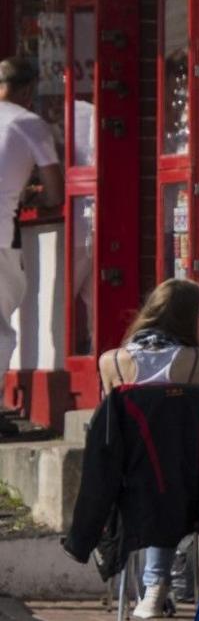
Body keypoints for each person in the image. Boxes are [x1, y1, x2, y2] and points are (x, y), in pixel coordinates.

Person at [98, 279, 199, 618]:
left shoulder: (111, 361)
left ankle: (147, 589)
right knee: (168, 476)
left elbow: (106, 425)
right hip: (179, 481)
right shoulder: (195, 360)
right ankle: (156, 584)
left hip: (122, 481)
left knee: (151, 478)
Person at [0, 56, 61, 423]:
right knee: (1, 325)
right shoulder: (28, 123)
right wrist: (32, 192)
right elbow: (56, 190)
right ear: (26, 90)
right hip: (1, 237)